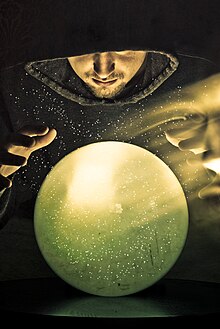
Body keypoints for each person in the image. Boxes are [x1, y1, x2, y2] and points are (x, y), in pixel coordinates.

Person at [0, 48, 219, 282]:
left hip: (180, 270)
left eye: (123, 48)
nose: (103, 70)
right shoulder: (16, 87)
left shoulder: (202, 80)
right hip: (44, 271)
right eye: (83, 48)